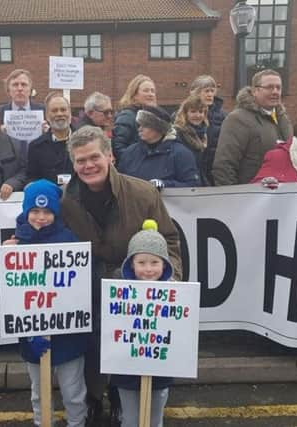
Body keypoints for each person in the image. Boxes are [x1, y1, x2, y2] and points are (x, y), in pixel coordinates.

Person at [61, 125, 182, 425]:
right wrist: (19, 240)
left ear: (110, 156)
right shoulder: (64, 201)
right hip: (86, 287)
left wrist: (170, 280)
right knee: (90, 348)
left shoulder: (142, 193)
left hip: (132, 286)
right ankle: (92, 400)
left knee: (128, 347)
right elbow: (43, 229)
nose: (88, 166)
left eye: (93, 157)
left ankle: (118, 401)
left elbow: (169, 240)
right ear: (73, 164)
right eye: (80, 161)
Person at [7, 179, 88, 427]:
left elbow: (82, 288)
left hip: (69, 338)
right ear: (25, 211)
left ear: (55, 212)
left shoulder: (70, 241)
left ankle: (77, 424)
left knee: (73, 393)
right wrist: (7, 258)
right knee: (39, 393)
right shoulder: (15, 244)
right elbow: (8, 291)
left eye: (46, 212)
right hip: (33, 335)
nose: (40, 217)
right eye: (34, 211)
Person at [111, 219, 175, 427]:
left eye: (154, 262)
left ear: (164, 264)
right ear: (131, 263)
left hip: (160, 370)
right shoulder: (119, 291)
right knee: (130, 419)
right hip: (126, 370)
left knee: (155, 419)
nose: (148, 269)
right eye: (142, 263)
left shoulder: (176, 292)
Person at [212, 69, 292, 185]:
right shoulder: (237, 119)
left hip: (282, 196)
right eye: (269, 87)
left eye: (278, 87)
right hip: (251, 197)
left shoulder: (284, 119)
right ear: (255, 91)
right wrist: (234, 198)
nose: (275, 92)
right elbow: (224, 165)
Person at [118, 105, 200, 188]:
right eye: (139, 125)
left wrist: (165, 184)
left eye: (145, 125)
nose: (140, 129)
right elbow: (120, 182)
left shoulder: (181, 154)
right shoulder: (130, 152)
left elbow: (192, 185)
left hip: (166, 200)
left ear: (159, 128)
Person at [27, 92, 74, 184]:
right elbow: (32, 178)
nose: (59, 114)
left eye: (63, 110)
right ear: (47, 116)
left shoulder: (84, 141)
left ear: (70, 113)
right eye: (54, 110)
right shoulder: (36, 146)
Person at [189, 75, 226, 185]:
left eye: (212, 91)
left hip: (214, 170)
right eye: (206, 91)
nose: (210, 94)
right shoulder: (181, 115)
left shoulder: (224, 117)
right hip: (192, 169)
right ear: (195, 92)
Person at [112, 75, 158, 164]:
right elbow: (118, 148)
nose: (150, 94)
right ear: (134, 95)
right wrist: (136, 164)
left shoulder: (153, 117)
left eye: (153, 91)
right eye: (146, 90)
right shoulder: (127, 116)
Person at [173, 95, 210, 186]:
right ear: (185, 114)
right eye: (193, 112)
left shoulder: (204, 134)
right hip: (184, 183)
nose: (197, 115)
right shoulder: (178, 134)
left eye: (201, 112)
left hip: (200, 181)